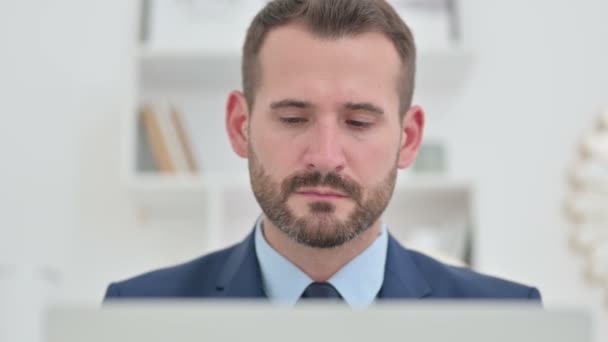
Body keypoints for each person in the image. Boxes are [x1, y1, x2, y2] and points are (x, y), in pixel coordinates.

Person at [104, 0, 541, 306]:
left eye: (359, 122)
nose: (326, 156)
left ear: (408, 139)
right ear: (240, 126)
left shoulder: (507, 322)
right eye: (294, 118)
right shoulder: (136, 316)